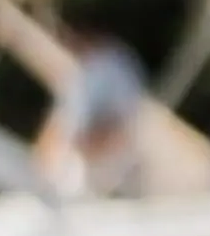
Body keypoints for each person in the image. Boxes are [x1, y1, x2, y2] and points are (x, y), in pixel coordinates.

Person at [34, 29, 149, 197]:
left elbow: (117, 126)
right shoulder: (89, 72)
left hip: (99, 168)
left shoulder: (108, 70)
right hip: (82, 164)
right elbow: (61, 125)